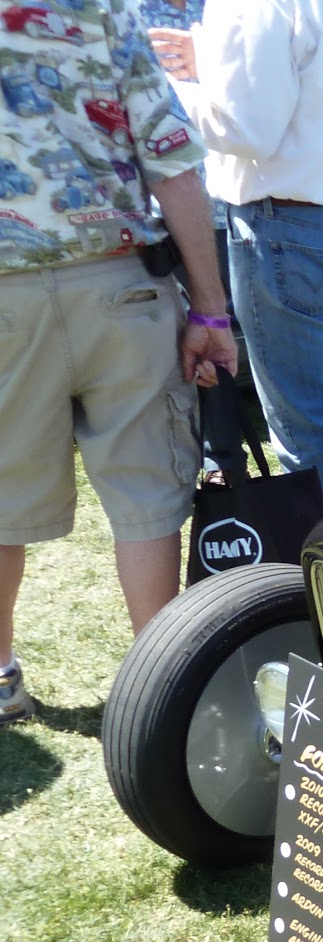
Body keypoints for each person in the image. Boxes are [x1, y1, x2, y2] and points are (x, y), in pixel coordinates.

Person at [0, 0, 238, 726]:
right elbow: (171, 159)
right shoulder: (104, 7)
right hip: (122, 284)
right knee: (148, 502)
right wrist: (210, 308)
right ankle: (162, 685)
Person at [150, 0, 323, 511]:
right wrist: (212, 63)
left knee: (307, 425)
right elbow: (303, 83)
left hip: (283, 226)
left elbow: (245, 130)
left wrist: (159, 88)